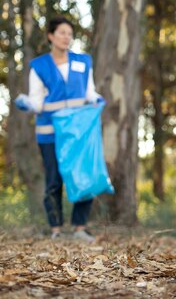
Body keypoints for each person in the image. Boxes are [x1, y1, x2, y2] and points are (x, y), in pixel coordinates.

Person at [14, 16, 104, 241]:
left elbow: (89, 92)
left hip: (78, 133)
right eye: (62, 32)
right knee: (53, 180)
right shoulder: (39, 66)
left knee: (82, 176)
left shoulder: (83, 62)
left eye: (70, 34)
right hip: (49, 132)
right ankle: (56, 229)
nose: (67, 37)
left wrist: (98, 99)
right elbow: (37, 101)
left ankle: (79, 227)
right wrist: (26, 104)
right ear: (51, 36)